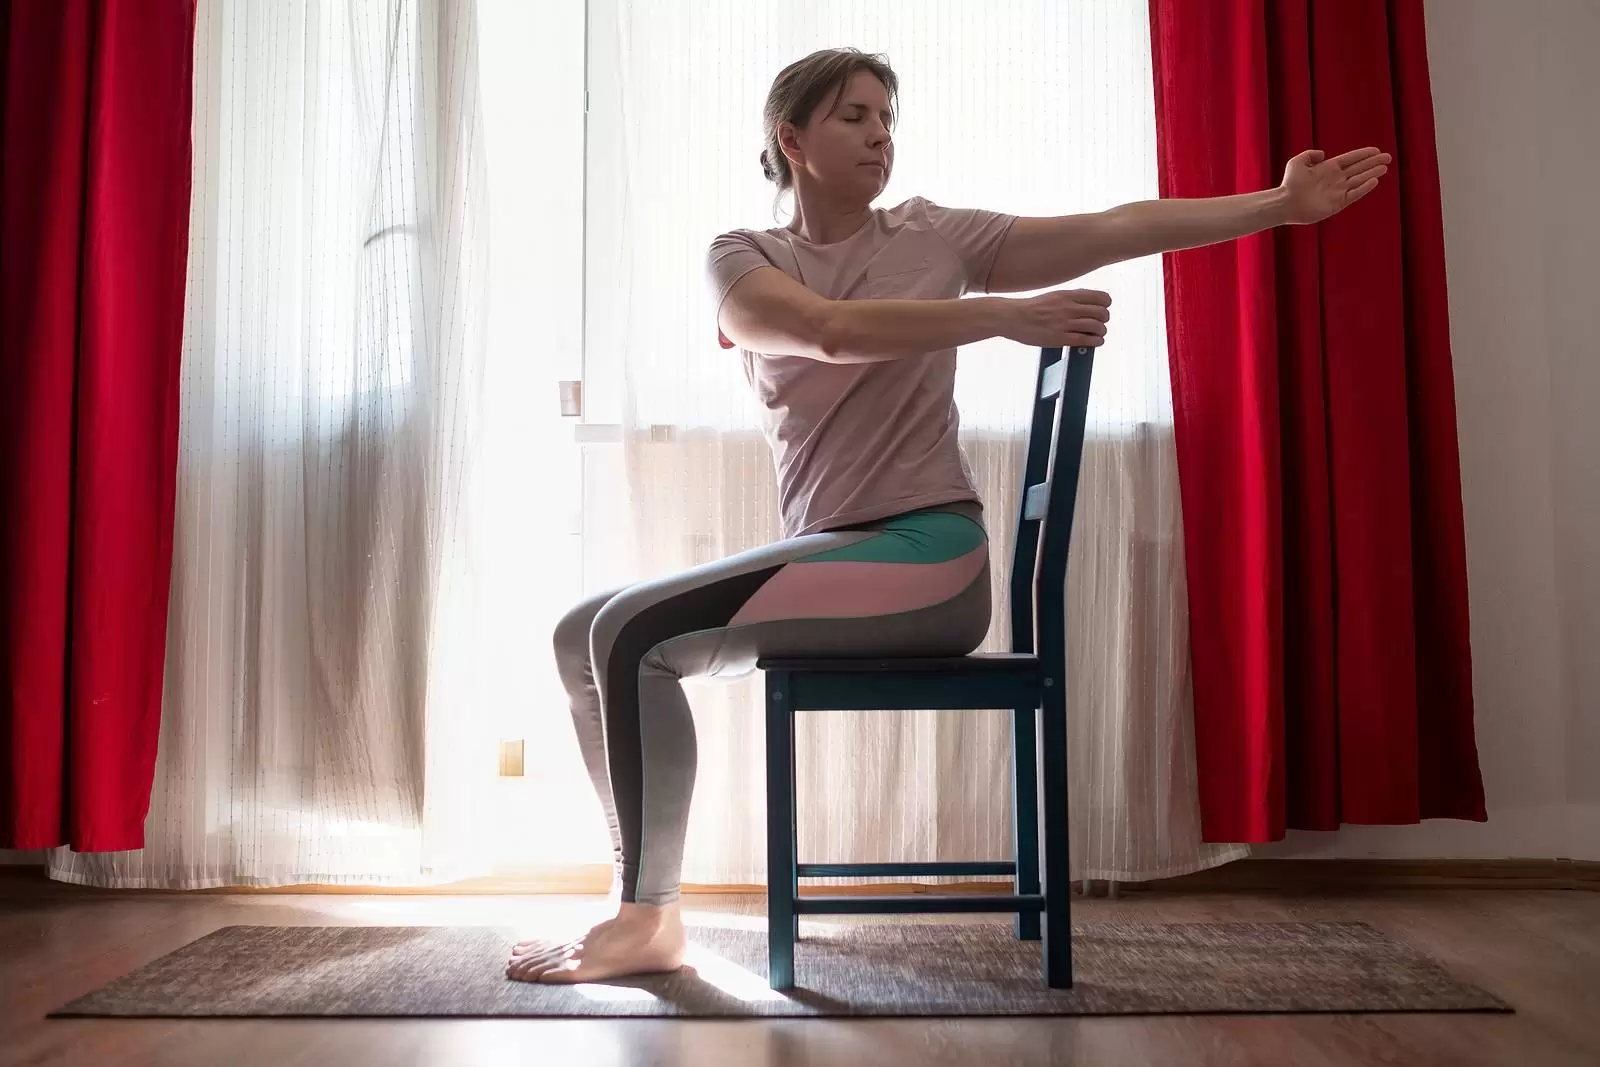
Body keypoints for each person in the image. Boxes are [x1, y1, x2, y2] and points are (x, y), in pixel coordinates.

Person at [507, 46, 1389, 984]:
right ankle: (642, 897)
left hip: (932, 558)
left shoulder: (934, 238)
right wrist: (1000, 314)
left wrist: (1274, 207)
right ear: (790, 139)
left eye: (887, 116)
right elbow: (826, 332)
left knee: (631, 629)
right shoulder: (746, 258)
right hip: (834, 552)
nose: (880, 134)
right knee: (580, 636)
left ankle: (646, 917)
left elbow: (1113, 225)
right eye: (853, 116)